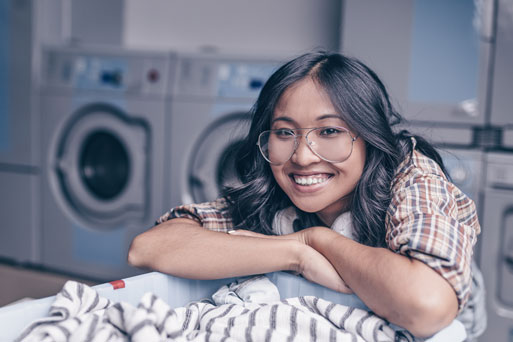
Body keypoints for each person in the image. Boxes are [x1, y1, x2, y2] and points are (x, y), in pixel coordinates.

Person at [128, 51, 482, 338]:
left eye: (329, 130)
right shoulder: (273, 194)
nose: (302, 156)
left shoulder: (411, 174)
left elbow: (426, 306)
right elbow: (148, 248)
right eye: (284, 133)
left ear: (370, 137)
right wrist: (296, 253)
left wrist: (317, 239)